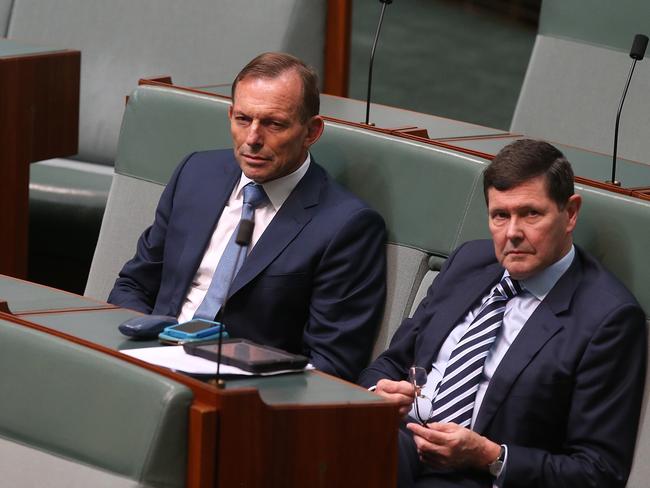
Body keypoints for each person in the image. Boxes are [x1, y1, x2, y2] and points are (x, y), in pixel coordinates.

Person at [359, 139, 646, 487]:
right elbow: (391, 362)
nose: (512, 233)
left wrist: (490, 456)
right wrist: (377, 393)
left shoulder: (609, 319)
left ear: (570, 213)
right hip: (398, 445)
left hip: (478, 477)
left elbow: (599, 472)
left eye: (530, 214)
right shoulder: (469, 262)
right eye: (500, 215)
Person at [108, 52, 387, 381]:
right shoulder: (195, 174)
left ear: (311, 131)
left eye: (273, 124)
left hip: (243, 392)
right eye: (243, 119)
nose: (252, 139)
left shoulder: (347, 226)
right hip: (148, 364)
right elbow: (133, 284)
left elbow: (332, 363)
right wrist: (141, 349)